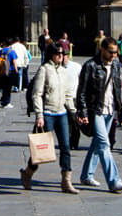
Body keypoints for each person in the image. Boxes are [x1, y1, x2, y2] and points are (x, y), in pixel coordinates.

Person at [21, 44, 79, 194]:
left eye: (63, 53)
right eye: (58, 53)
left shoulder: (64, 72)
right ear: (51, 54)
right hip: (47, 114)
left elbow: (67, 95)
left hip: (62, 114)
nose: (61, 55)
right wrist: (39, 115)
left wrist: (73, 112)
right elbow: (37, 94)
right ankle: (27, 172)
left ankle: (66, 181)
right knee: (41, 149)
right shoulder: (44, 69)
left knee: (66, 147)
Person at [76, 37, 122, 193]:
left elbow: (118, 86)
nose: (114, 55)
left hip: (110, 109)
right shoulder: (90, 66)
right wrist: (83, 111)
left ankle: (86, 175)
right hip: (95, 110)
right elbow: (82, 91)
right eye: (111, 52)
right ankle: (114, 181)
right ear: (102, 49)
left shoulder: (117, 65)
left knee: (97, 144)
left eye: (116, 52)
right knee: (104, 144)